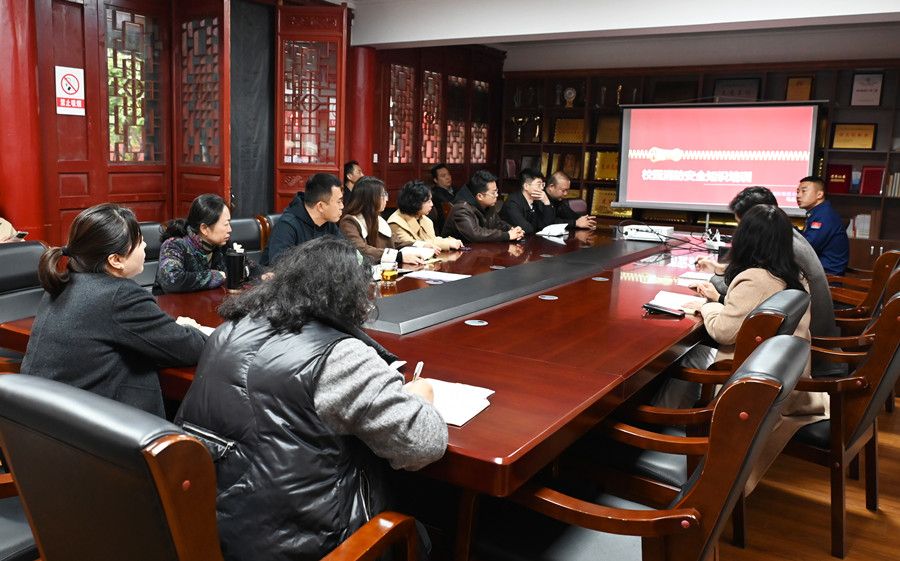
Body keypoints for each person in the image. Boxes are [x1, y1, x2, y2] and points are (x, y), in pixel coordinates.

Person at [175, 236, 447, 561]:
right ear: (351, 295)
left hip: (216, 529)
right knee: (421, 531)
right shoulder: (339, 356)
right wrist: (421, 397)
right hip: (306, 543)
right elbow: (423, 445)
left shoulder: (229, 331)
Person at [682, 204, 827, 490]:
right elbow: (750, 315)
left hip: (749, 379)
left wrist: (705, 305)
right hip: (786, 376)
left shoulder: (755, 277)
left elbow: (724, 331)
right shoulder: (793, 274)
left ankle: (668, 426)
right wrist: (719, 300)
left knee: (687, 357)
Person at [21, 203, 206, 417]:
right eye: (140, 241)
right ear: (116, 260)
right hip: (94, 428)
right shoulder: (120, 295)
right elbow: (191, 349)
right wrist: (189, 328)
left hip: (42, 421)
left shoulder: (63, 283)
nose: (146, 245)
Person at [697, 186, 839, 342]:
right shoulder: (784, 238)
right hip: (795, 339)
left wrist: (711, 301)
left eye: (742, 225)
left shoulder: (782, 250)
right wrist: (720, 270)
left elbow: (753, 289)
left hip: (811, 337)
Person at [157, 193, 256, 293]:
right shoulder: (174, 245)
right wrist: (215, 277)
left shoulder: (223, 245)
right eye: (226, 224)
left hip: (211, 301)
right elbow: (171, 280)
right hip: (175, 302)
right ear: (204, 228)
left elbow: (253, 269)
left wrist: (248, 271)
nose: (230, 229)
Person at [261, 173, 344, 266]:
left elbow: (346, 252)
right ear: (320, 206)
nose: (342, 206)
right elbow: (281, 266)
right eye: (339, 202)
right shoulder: (286, 226)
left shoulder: (329, 224)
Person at [339, 176, 425, 264]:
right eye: (383, 195)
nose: (386, 199)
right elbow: (361, 250)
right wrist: (398, 256)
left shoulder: (378, 219)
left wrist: (422, 245)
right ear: (369, 198)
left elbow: (396, 242)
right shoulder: (349, 222)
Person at [442, 170, 525, 243]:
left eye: (496, 191)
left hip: (479, 251)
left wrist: (513, 230)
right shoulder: (461, 209)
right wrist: (507, 235)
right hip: (456, 254)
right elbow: (475, 234)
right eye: (493, 193)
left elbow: (498, 224)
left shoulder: (488, 205)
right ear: (480, 196)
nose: (497, 195)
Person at [387, 180, 463, 251]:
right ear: (415, 203)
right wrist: (447, 244)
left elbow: (432, 239)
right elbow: (413, 245)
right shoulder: (396, 223)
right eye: (428, 201)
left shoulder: (425, 219)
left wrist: (450, 241)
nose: (432, 204)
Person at [795, 176, 849, 275]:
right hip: (818, 271)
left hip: (827, 276)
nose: (798, 195)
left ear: (819, 194)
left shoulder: (825, 215)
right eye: (797, 192)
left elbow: (807, 247)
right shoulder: (819, 213)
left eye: (804, 191)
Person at [499, 169, 555, 235]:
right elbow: (526, 229)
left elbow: (547, 226)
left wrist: (546, 202)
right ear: (526, 186)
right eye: (539, 184)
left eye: (542, 184)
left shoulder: (537, 201)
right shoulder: (512, 203)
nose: (542, 188)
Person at [428, 163, 455, 233]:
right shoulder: (436, 194)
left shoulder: (455, 189)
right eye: (443, 176)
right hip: (445, 229)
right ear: (435, 180)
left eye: (448, 174)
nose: (448, 177)